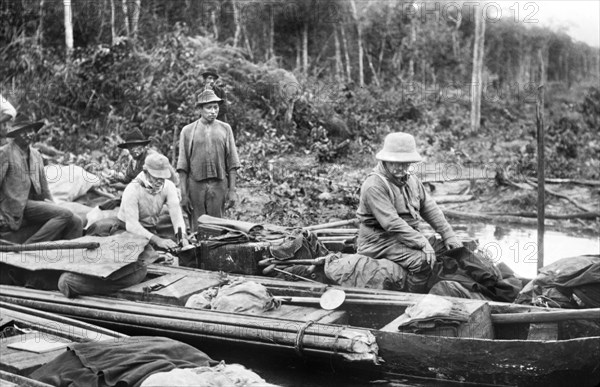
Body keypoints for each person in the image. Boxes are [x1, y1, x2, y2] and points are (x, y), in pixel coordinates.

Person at [60, 153, 189, 298]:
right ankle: (79, 282)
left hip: (150, 228)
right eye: (156, 177)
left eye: (162, 178)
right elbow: (132, 225)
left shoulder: (168, 186)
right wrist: (158, 240)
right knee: (137, 262)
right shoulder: (133, 189)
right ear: (145, 172)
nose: (160, 181)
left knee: (166, 253)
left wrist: (182, 235)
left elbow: (176, 214)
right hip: (126, 230)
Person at [356, 132, 462, 293]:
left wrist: (448, 234)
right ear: (385, 160)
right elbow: (391, 223)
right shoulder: (374, 185)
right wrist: (421, 242)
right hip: (379, 241)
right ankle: (411, 298)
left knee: (453, 250)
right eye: (395, 163)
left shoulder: (411, 180)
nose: (401, 167)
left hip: (406, 237)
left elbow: (429, 207)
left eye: (405, 163)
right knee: (423, 261)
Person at [0, 120, 83, 244]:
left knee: (76, 220)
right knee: (65, 214)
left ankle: (71, 254)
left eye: (31, 131)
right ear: (16, 135)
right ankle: (28, 247)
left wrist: (54, 205)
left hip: (32, 204)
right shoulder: (5, 152)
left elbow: (44, 188)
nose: (29, 135)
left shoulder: (36, 154)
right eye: (24, 132)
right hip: (14, 205)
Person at [177, 89, 240, 231]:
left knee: (217, 226)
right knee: (197, 226)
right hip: (196, 185)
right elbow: (182, 166)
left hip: (219, 184)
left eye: (216, 107)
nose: (213, 111)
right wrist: (184, 195)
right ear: (200, 109)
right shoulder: (188, 131)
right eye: (209, 107)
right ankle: (197, 252)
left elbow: (232, 163)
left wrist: (231, 190)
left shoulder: (225, 129)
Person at [111, 128, 179, 189]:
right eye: (130, 147)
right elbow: (127, 179)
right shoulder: (134, 161)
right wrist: (114, 176)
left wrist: (122, 187)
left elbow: (149, 185)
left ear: (143, 146)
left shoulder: (151, 158)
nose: (133, 149)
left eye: (136, 146)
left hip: (167, 190)